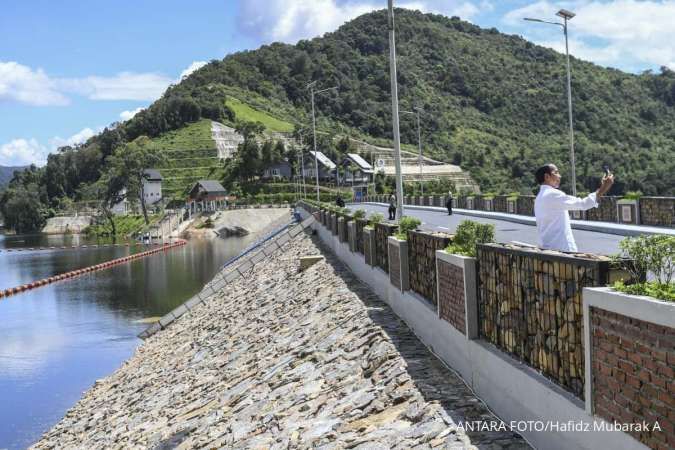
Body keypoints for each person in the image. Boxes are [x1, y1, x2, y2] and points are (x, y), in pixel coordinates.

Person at [534, 163, 614, 252]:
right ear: (547, 176)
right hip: (562, 251)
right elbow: (583, 204)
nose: (559, 176)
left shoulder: (539, 197)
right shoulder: (553, 194)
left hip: (547, 249)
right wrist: (604, 187)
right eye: (556, 173)